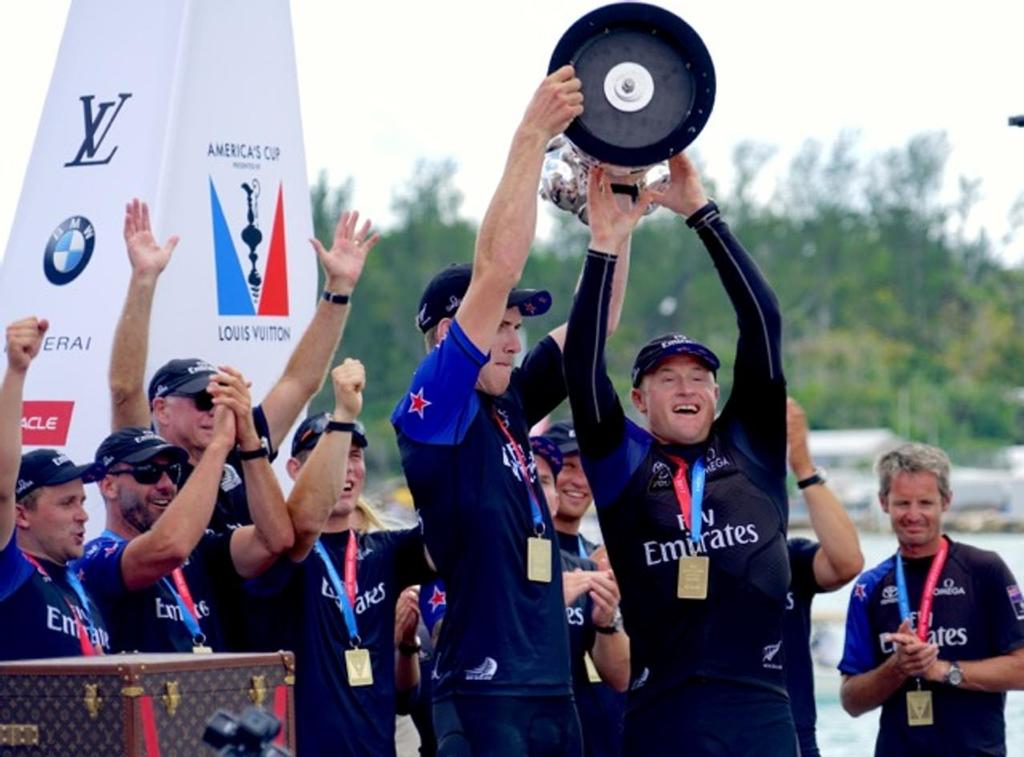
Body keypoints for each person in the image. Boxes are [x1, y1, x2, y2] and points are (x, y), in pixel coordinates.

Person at [391, 65, 642, 755]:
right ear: (450, 333)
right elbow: (496, 266)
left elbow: (599, 327)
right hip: (480, 691)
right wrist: (533, 134)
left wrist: (613, 231)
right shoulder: (436, 401)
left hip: (547, 686)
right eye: (499, 323)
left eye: (518, 326)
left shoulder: (514, 403)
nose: (513, 335)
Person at [563, 155, 797, 755]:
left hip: (761, 712)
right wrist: (606, 244)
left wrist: (703, 215)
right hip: (664, 716)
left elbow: (762, 320)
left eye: (699, 376)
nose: (687, 388)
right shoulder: (623, 463)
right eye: (668, 379)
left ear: (717, 394)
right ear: (640, 399)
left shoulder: (753, 443)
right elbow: (581, 362)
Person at [109, 199, 378, 534]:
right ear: (161, 409)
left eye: (222, 398)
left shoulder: (242, 445)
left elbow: (300, 381)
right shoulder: (148, 463)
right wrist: (143, 280)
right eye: (204, 401)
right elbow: (125, 389)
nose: (215, 411)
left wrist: (338, 289)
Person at [247, 361, 434, 757]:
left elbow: (456, 531)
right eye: (333, 455)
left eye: (355, 456)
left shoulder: (386, 551)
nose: (346, 470)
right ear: (295, 470)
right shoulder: (281, 554)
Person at [75, 366, 292, 653]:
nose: (165, 484)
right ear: (109, 486)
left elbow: (275, 539)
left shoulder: (199, 549)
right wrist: (219, 444)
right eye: (149, 471)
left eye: (172, 471)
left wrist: (250, 441)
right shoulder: (95, 558)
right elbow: (169, 549)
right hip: (144, 697)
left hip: (210, 695)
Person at [839, 443, 1024, 755]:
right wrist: (897, 667)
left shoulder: (984, 570)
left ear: (946, 501)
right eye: (902, 503)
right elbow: (851, 701)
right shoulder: (869, 586)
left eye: (925, 502)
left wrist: (943, 670)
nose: (913, 515)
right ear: (884, 503)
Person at [0, 317, 109, 659]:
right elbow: (3, 485)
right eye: (66, 503)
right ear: (21, 514)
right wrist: (17, 371)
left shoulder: (79, 583)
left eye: (81, 501)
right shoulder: (11, 571)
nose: (82, 516)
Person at [532, 433, 629, 757]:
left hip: (598, 736)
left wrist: (608, 618)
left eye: (588, 468)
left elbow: (622, 675)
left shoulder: (599, 559)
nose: (578, 480)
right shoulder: (514, 556)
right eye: (567, 467)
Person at [783, 397, 864, 757]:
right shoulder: (683, 554)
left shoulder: (786, 556)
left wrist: (803, 467)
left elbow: (847, 562)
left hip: (792, 736)